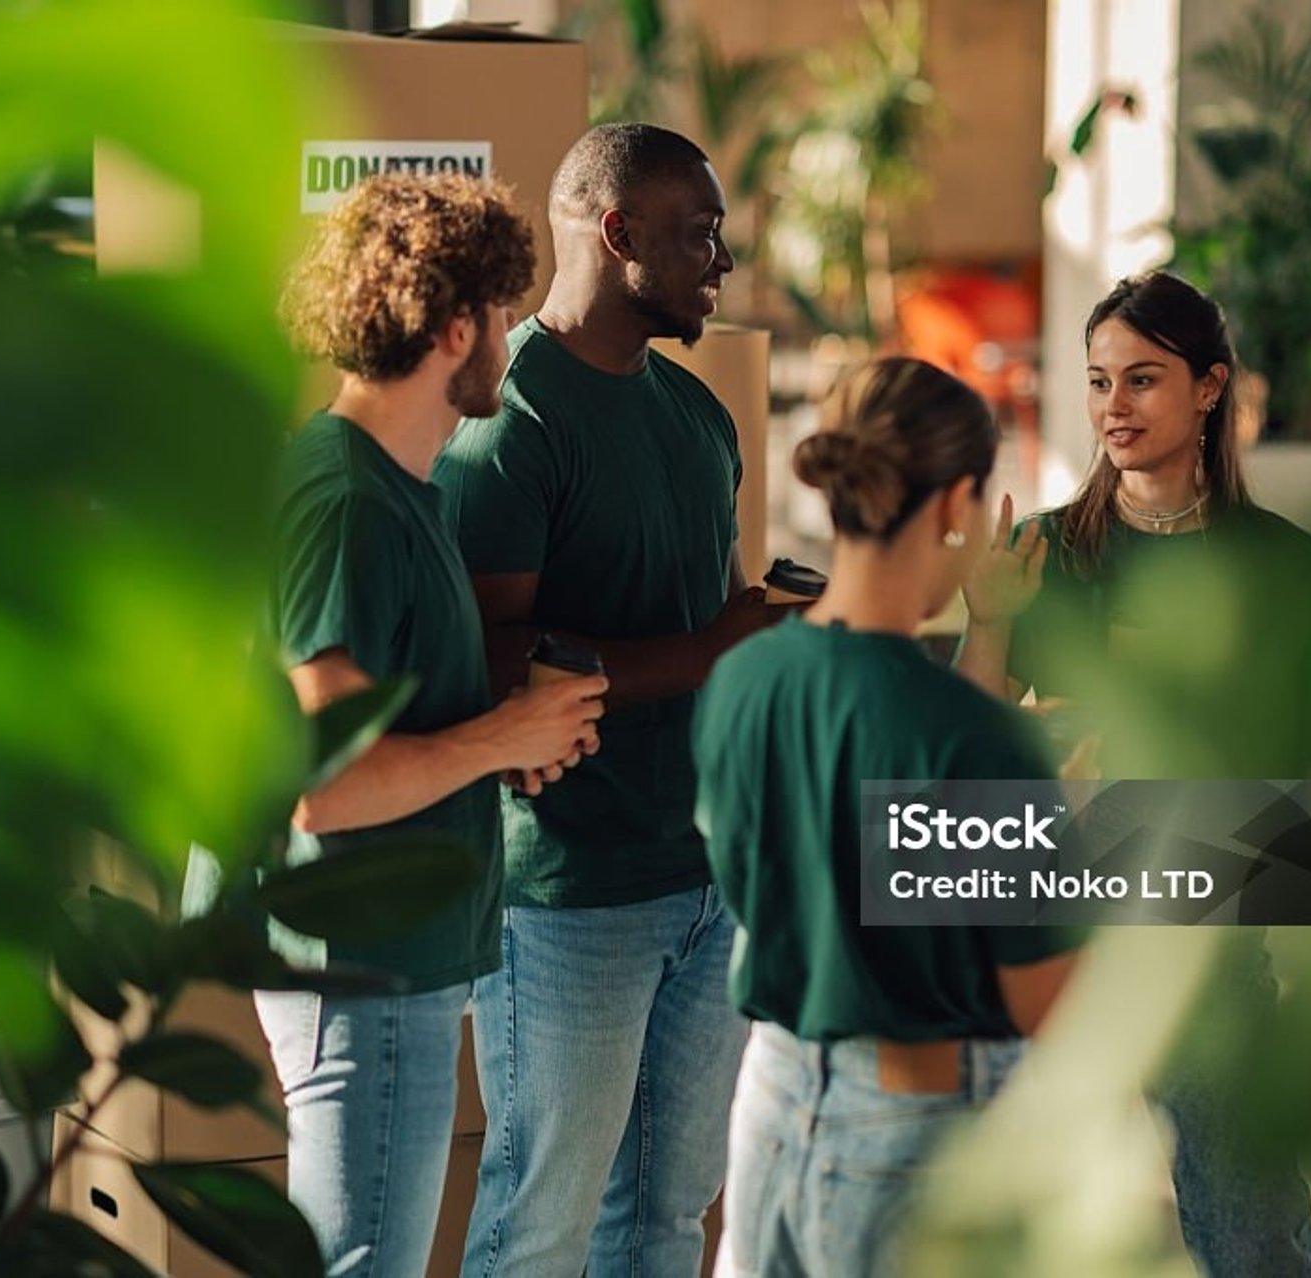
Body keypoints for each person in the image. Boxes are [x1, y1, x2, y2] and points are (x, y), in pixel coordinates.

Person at [433, 123, 783, 1277]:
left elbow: (712, 621)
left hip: (707, 881)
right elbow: (486, 655)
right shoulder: (509, 420)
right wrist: (701, 652)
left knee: (669, 1217)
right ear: (618, 234)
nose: (721, 261)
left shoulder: (698, 419)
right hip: (566, 897)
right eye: (699, 235)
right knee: (543, 1224)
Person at [262, 174, 606, 1278]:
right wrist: (500, 741)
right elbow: (328, 780)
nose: (508, 338)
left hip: (399, 962)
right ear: (457, 326)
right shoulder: (348, 500)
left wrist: (514, 731)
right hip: (365, 968)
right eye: (502, 314)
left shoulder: (395, 485)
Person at [960, 270, 1311, 1277]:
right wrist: (991, 621)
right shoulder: (1045, 550)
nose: (1112, 409)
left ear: (1209, 388)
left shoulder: (1282, 566)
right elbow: (970, 748)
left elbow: (1301, 766)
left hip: (1205, 940)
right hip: (1049, 932)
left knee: (1250, 1234)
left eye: (1142, 381)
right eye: (1097, 382)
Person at [692, 357, 1081, 1276]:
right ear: (956, 506)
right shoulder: (979, 745)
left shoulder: (744, 677)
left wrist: (989, 629)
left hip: (774, 1100)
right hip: (914, 1134)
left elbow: (858, 839)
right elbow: (1046, 1003)